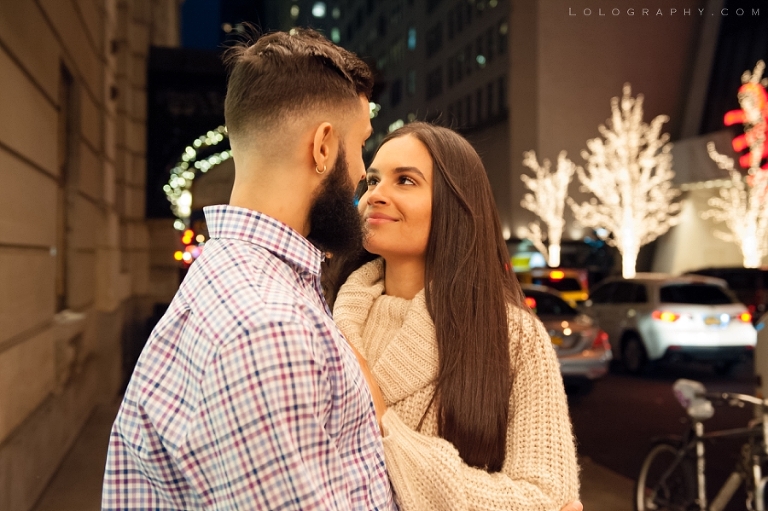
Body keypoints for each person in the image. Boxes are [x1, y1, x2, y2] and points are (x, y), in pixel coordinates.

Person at [102, 29, 396, 510]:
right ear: (323, 147)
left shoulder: (233, 280)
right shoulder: (266, 327)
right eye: (361, 144)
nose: (363, 171)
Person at [330, 122, 582, 511]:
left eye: (406, 181)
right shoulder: (327, 316)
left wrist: (387, 427)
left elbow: (546, 499)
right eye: (373, 181)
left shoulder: (513, 336)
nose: (376, 195)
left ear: (456, 203)